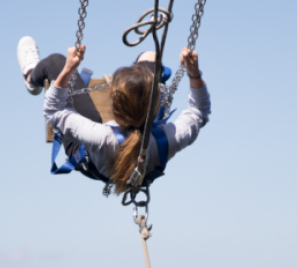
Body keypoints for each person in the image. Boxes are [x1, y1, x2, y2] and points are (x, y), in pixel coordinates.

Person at [17, 36, 210, 193]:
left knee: (55, 62)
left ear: (113, 109)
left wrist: (67, 69)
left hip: (88, 158)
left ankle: (30, 77)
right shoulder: (168, 138)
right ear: (156, 110)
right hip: (142, 161)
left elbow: (53, 110)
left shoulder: (98, 135)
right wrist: (194, 73)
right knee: (151, 57)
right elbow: (199, 112)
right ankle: (149, 77)